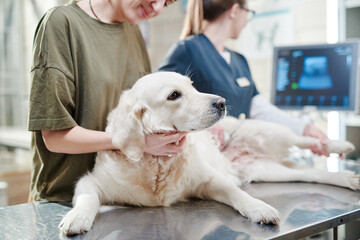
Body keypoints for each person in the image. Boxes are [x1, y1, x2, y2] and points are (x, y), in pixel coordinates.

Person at [28, 0, 186, 202]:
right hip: (64, 201)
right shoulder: (61, 24)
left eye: (166, 4)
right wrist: (130, 140)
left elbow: (141, 118)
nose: (157, 9)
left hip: (122, 197)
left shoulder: (133, 31)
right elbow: (55, 137)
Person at [158, 0, 328, 155]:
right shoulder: (187, 50)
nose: (247, 20)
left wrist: (305, 128)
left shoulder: (239, 60)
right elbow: (159, 105)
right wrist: (203, 130)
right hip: (205, 158)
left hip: (239, 156)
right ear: (235, 10)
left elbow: (259, 109)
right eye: (248, 13)